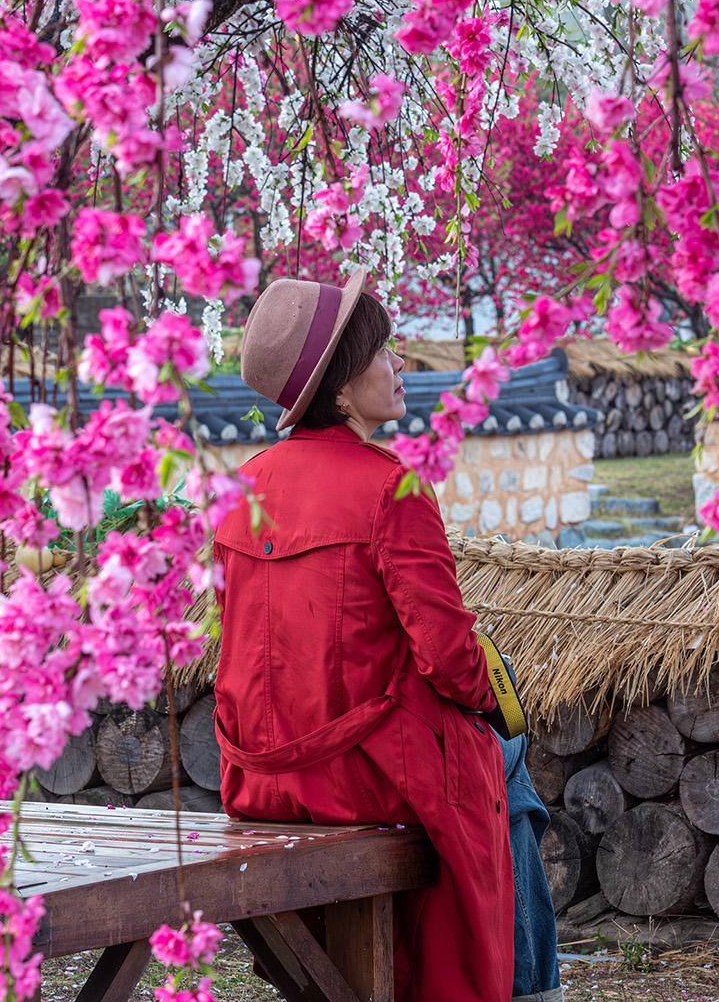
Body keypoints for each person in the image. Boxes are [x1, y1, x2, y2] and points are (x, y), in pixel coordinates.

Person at [214, 272, 522, 1002]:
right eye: (384, 351)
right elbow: (450, 662)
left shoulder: (241, 490)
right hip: (364, 775)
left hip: (260, 776)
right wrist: (497, 693)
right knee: (512, 772)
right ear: (343, 391)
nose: (401, 362)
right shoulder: (391, 489)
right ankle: (533, 986)